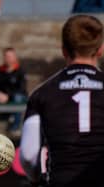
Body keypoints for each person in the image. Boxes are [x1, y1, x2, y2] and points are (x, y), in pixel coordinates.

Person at [20, 15, 104, 187]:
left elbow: (28, 155)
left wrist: (36, 178)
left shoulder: (41, 94)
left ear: (64, 50)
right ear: (100, 50)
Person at [0, 47, 27, 136]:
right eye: (6, 56)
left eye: (10, 56)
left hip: (16, 97)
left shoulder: (21, 71)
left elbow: (22, 89)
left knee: (18, 98)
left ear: (15, 57)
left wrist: (8, 96)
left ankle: (15, 127)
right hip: (1, 97)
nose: (8, 58)